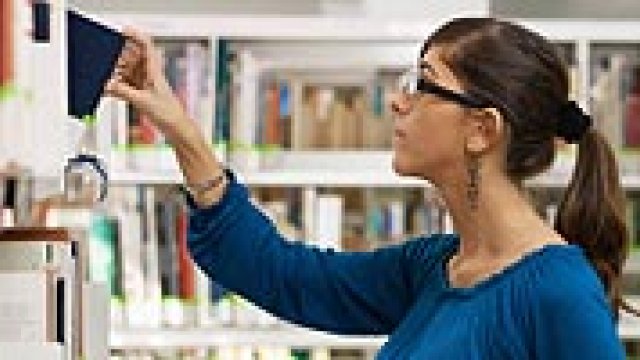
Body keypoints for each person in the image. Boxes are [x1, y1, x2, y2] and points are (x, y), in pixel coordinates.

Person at [106, 17, 629, 359]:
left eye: (424, 85)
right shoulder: (436, 268)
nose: (399, 102)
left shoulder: (558, 291)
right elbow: (287, 276)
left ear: (482, 129)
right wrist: (182, 132)